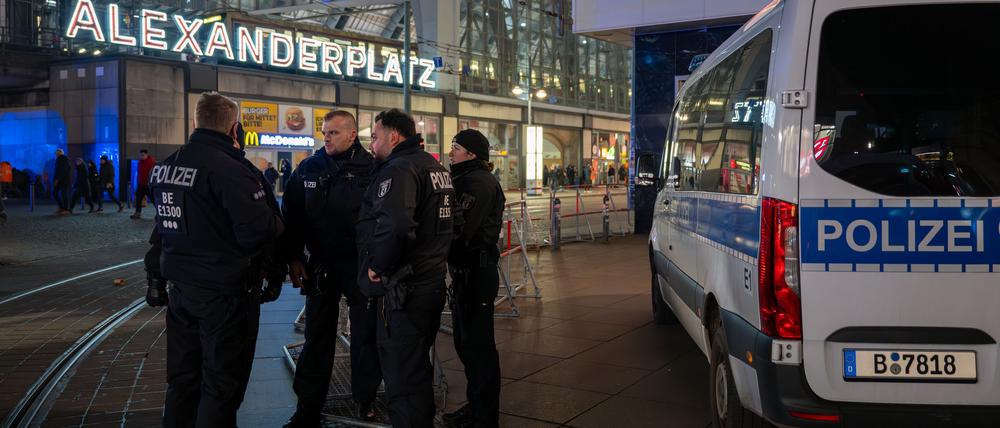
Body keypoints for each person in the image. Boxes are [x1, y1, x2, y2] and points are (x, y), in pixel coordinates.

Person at [142, 92, 282, 428]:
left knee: (182, 380)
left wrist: (154, 277)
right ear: (235, 128)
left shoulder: (165, 168)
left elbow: (162, 228)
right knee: (220, 386)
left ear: (195, 123)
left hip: (181, 291)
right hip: (224, 294)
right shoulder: (231, 170)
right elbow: (259, 233)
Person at [356, 108, 455, 427]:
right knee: (416, 368)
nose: (372, 144)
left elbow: (396, 224)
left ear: (393, 136)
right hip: (430, 280)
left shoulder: (398, 168)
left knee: (401, 375)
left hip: (405, 287)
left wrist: (377, 266)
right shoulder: (434, 166)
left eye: (375, 136)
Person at [281, 111, 378, 427]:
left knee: (366, 336)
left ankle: (365, 399)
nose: (327, 138)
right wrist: (294, 257)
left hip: (360, 265)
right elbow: (292, 217)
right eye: (324, 133)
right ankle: (308, 407)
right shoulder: (310, 167)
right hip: (320, 264)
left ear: (352, 135)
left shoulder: (374, 167)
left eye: (334, 133)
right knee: (317, 338)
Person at [442, 130, 504, 428]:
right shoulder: (465, 179)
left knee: (479, 349)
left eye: (455, 147)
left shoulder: (477, 183)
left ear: (471, 154)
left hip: (477, 272)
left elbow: (462, 230)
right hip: (467, 272)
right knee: (467, 345)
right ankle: (476, 406)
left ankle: (484, 417)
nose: (450, 152)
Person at [131, 149, 156, 219]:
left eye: (143, 155)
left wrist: (152, 183)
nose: (141, 157)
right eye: (140, 155)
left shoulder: (151, 162)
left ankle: (160, 214)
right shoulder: (140, 162)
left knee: (154, 200)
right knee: (138, 199)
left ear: (146, 155)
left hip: (149, 185)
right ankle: (137, 213)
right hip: (141, 185)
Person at [53, 149, 71, 215]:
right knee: (57, 193)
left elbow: (61, 170)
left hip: (63, 180)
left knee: (63, 194)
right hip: (62, 180)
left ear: (60, 153)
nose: (56, 153)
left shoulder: (62, 159)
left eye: (57, 152)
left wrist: (57, 179)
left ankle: (66, 209)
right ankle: (62, 207)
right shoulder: (60, 159)